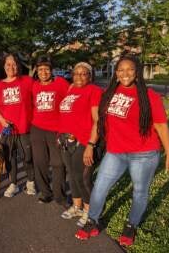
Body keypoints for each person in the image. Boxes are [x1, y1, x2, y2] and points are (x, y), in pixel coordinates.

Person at [75, 55, 169, 246]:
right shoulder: (109, 93)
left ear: (137, 72)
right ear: (116, 73)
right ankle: (93, 221)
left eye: (130, 69)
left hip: (144, 155)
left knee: (139, 192)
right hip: (115, 152)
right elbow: (100, 121)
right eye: (120, 70)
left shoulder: (149, 96)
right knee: (100, 187)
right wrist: (90, 144)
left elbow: (162, 127)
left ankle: (131, 225)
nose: (125, 74)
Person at [58, 62, 102, 227]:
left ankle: (90, 211)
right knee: (72, 174)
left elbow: (97, 120)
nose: (79, 76)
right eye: (76, 73)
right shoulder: (71, 89)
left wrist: (91, 144)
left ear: (90, 76)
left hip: (83, 141)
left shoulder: (94, 91)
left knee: (82, 178)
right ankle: (77, 206)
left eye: (84, 73)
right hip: (65, 140)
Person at [0, 53, 36, 197]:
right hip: (7, 131)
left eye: (14, 64)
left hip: (24, 129)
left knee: (27, 157)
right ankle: (13, 184)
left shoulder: (27, 81)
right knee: (10, 158)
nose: (11, 67)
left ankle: (30, 182)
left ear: (18, 66)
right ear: (4, 67)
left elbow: (41, 92)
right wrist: (3, 121)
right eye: (8, 64)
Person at [30, 56, 69, 205]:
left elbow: (71, 99)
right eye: (40, 69)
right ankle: (46, 193)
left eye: (46, 69)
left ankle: (60, 195)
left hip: (56, 130)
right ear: (37, 71)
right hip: (37, 129)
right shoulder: (34, 86)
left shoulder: (60, 83)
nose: (44, 72)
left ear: (51, 71)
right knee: (40, 162)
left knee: (58, 163)